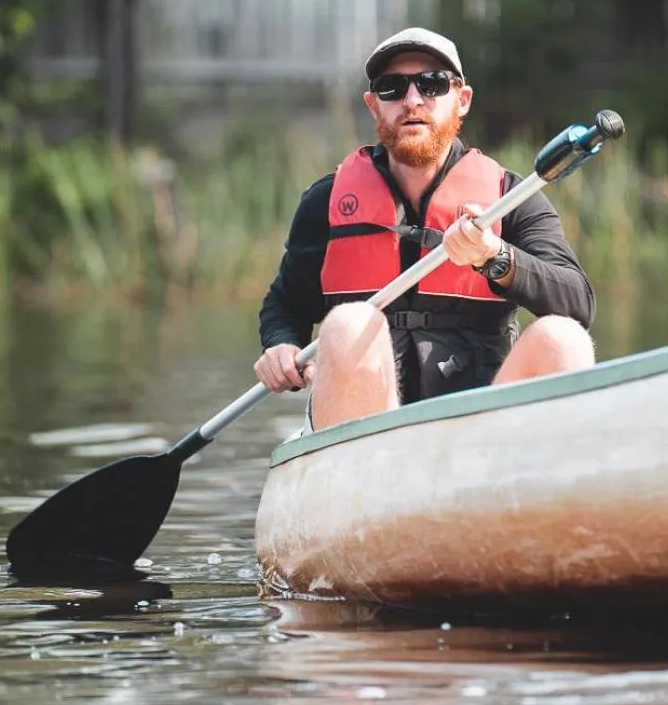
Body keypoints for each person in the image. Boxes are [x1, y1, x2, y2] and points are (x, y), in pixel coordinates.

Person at [254, 26, 597, 432]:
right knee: (348, 324)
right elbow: (285, 304)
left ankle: (547, 484)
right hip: (367, 434)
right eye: (392, 88)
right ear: (373, 105)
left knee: (563, 338)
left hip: (481, 423)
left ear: (462, 100)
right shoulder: (325, 203)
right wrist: (280, 345)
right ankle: (359, 483)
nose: (412, 100)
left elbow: (578, 303)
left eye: (432, 84)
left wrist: (495, 257)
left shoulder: (511, 197)